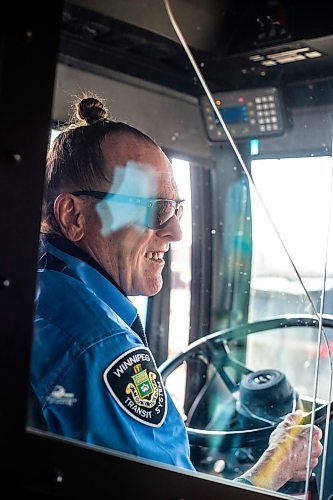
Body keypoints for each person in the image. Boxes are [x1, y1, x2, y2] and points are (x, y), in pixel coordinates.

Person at [30, 94, 323, 492]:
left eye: (176, 209)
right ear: (74, 216)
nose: (175, 231)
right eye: (154, 209)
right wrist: (277, 465)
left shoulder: (40, 289)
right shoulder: (100, 346)